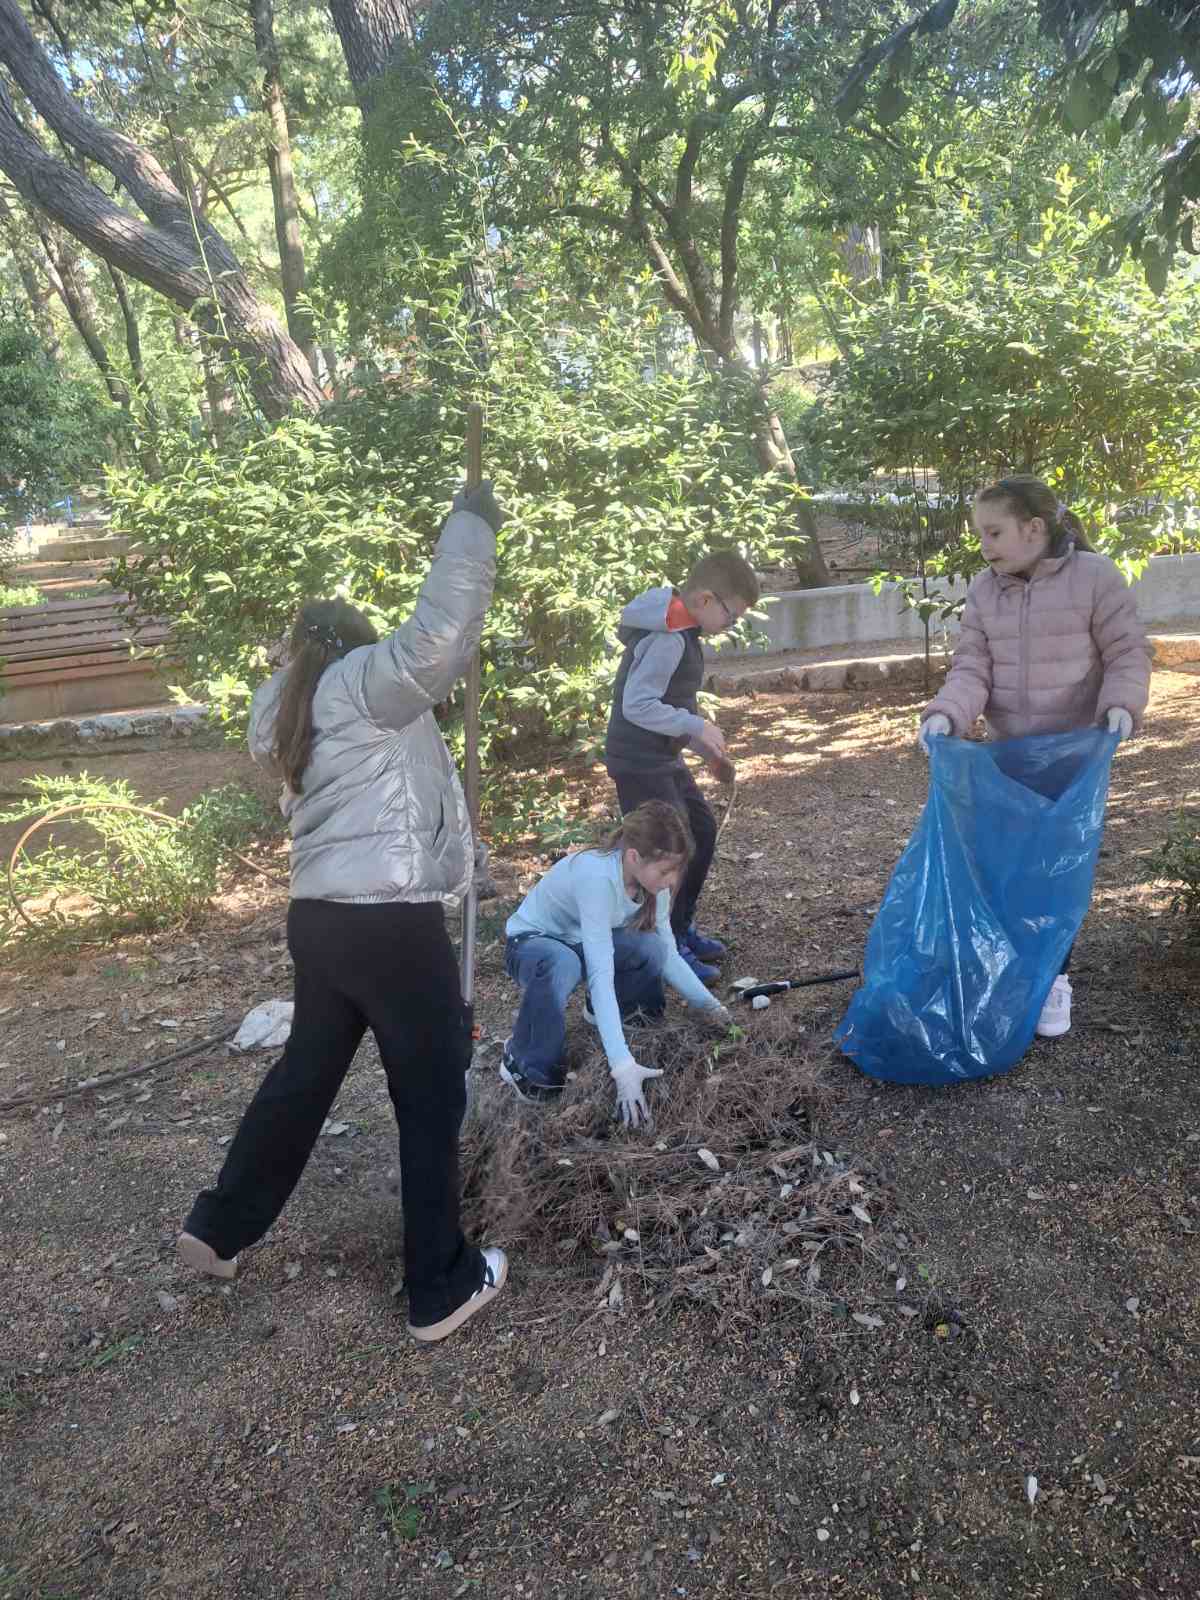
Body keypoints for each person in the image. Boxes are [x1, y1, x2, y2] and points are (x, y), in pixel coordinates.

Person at [177, 481, 509, 1345]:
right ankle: (439, 1286)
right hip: (389, 923)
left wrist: (463, 865)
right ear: (359, 645)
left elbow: (407, 797)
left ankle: (219, 1226)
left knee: (305, 1077)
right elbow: (439, 635)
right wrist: (471, 525)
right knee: (430, 1093)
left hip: (321, 921)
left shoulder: (292, 707)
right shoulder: (366, 687)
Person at [917, 474, 1151, 1039]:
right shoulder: (985, 590)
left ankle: (1053, 979)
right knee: (1006, 865)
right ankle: (1012, 966)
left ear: (1034, 528)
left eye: (994, 532)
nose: (984, 545)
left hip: (1075, 756)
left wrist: (1121, 706)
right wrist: (947, 713)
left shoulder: (1094, 577)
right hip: (1008, 756)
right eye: (980, 534)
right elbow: (972, 666)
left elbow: (1126, 650)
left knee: (1056, 869)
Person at [500, 801, 732, 1124]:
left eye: (676, 870)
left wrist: (714, 1010)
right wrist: (622, 1066)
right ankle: (524, 1059)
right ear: (634, 857)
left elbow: (669, 956)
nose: (672, 880)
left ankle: (615, 1012)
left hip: (578, 943)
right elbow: (600, 973)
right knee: (563, 964)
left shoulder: (653, 885)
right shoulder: (596, 878)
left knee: (651, 947)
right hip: (532, 944)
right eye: (665, 871)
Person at [603, 551, 760, 983]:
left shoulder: (685, 633)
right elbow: (638, 706)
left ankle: (678, 927)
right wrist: (696, 725)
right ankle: (661, 946)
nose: (732, 623)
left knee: (701, 831)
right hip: (638, 762)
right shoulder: (668, 638)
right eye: (732, 615)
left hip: (661, 757)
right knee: (667, 849)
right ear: (706, 599)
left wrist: (705, 749)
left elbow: (670, 707)